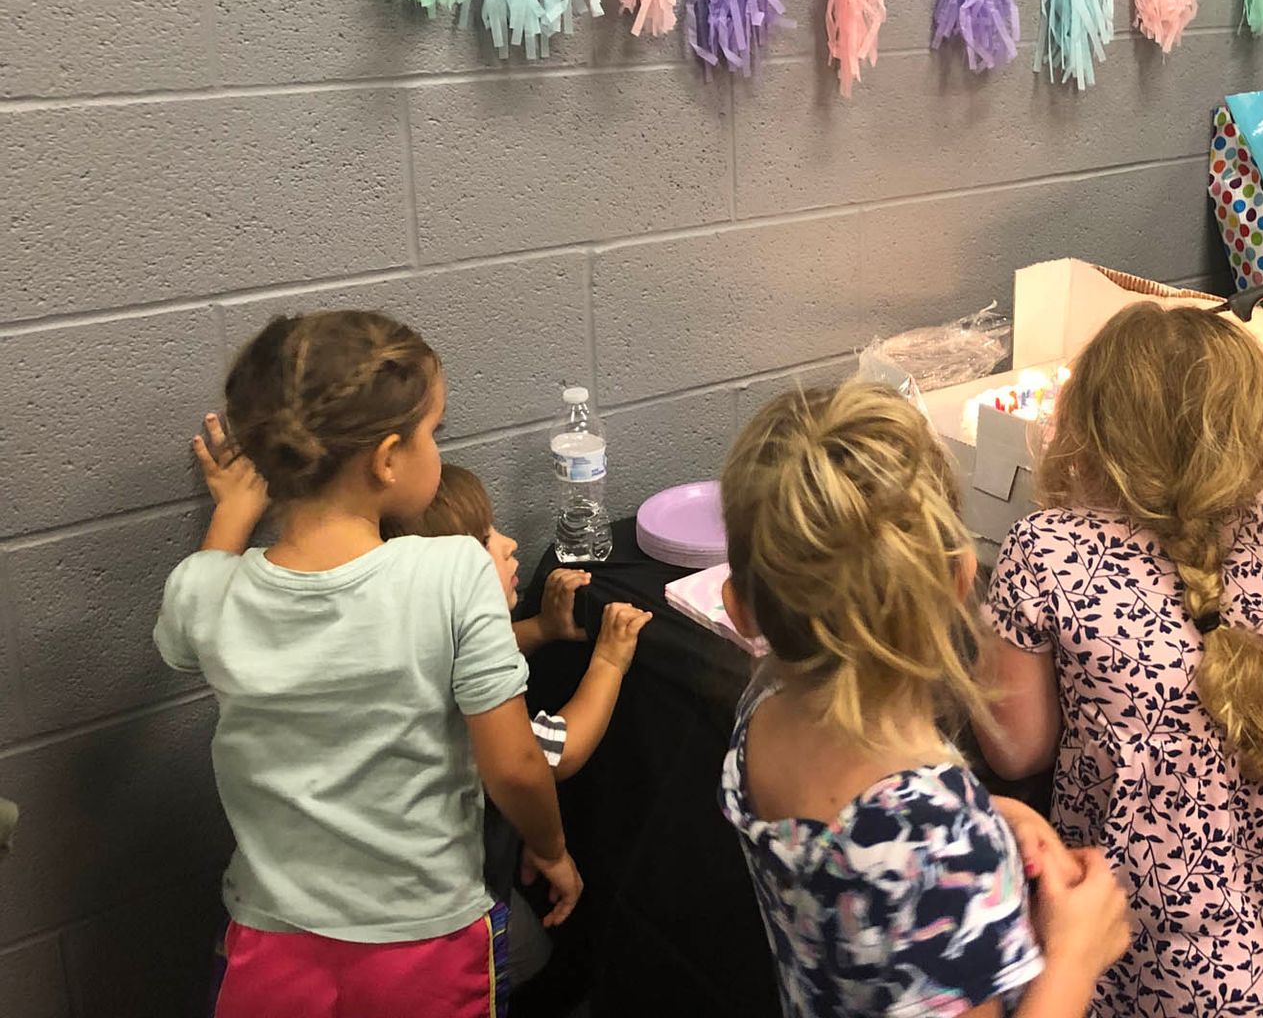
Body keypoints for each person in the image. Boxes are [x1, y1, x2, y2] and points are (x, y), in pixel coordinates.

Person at [156, 312, 581, 1018]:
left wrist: (232, 511)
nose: (437, 451)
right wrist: (554, 849)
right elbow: (512, 767)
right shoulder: (451, 572)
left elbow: (181, 631)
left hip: (268, 943)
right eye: (433, 434)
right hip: (426, 942)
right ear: (387, 459)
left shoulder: (207, 589)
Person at [716, 381, 1130, 1018]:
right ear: (963, 580)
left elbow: (867, 839)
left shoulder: (765, 704)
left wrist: (986, 816)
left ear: (740, 610)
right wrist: (1078, 954)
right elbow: (907, 846)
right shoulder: (937, 841)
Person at [977, 303, 1263, 1017]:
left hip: (1135, 932)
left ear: (1089, 422)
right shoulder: (1260, 527)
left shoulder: (1044, 545)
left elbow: (1016, 751)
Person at [389, 464, 651, 995]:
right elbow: (559, 751)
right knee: (524, 963)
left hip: (396, 898)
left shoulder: (403, 646)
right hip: (445, 913)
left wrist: (541, 629)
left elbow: (470, 651)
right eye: (485, 540)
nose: (509, 545)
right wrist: (609, 661)